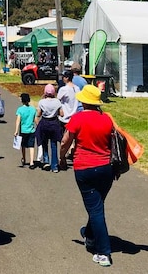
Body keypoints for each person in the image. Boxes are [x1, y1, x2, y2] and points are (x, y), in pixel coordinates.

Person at [59, 84, 115, 268]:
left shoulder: (78, 119)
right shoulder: (107, 119)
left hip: (85, 167)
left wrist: (61, 158)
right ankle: (90, 235)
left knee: (96, 210)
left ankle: (103, 252)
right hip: (106, 167)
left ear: (84, 101)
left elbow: (66, 141)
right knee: (97, 205)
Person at [35, 84, 63, 172]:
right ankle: (54, 166)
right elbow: (62, 114)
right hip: (54, 123)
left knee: (44, 142)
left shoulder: (41, 102)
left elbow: (39, 114)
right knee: (54, 144)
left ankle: (46, 161)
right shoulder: (57, 102)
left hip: (44, 123)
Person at [14, 92, 37, 168]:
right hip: (31, 130)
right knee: (31, 146)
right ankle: (31, 162)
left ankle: (24, 158)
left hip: (23, 130)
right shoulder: (33, 109)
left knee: (23, 145)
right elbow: (36, 120)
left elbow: (18, 120)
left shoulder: (20, 109)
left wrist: (16, 130)